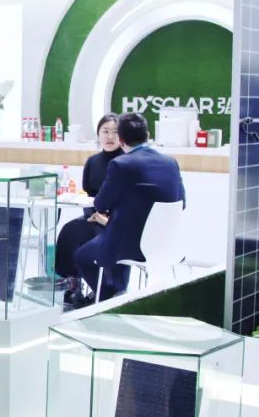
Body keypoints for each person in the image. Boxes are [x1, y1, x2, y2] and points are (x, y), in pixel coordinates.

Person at [71, 113, 185, 306]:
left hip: (130, 246)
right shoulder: (171, 162)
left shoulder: (121, 164)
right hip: (168, 244)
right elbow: (182, 202)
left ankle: (107, 299)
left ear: (121, 141)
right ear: (147, 135)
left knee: (81, 255)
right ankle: (116, 293)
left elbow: (100, 204)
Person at [54, 114, 123, 304]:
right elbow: (88, 192)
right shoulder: (92, 161)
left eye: (115, 132)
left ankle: (101, 288)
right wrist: (92, 213)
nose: (110, 137)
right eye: (105, 131)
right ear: (98, 135)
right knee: (69, 230)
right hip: (93, 213)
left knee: (92, 235)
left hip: (116, 218)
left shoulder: (125, 162)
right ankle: (72, 282)